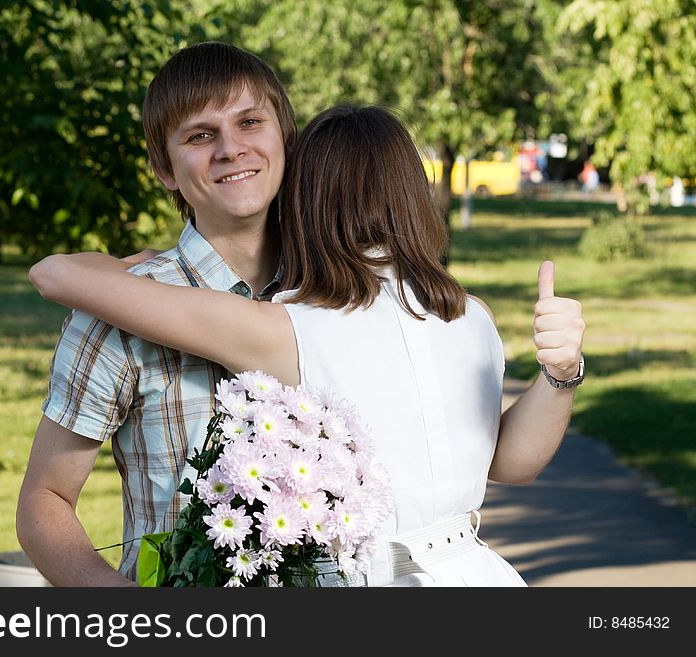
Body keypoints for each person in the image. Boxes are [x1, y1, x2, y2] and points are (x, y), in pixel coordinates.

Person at [29, 104, 587, 586]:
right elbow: (512, 464)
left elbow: (56, 276)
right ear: (415, 196)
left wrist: (127, 268)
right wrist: (561, 374)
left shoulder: (287, 327)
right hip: (477, 576)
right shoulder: (469, 316)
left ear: (306, 203)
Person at [15, 41, 296, 586]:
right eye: (200, 135)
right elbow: (44, 499)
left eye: (250, 122)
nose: (230, 149)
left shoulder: (328, 293)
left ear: (284, 136)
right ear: (165, 169)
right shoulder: (117, 307)